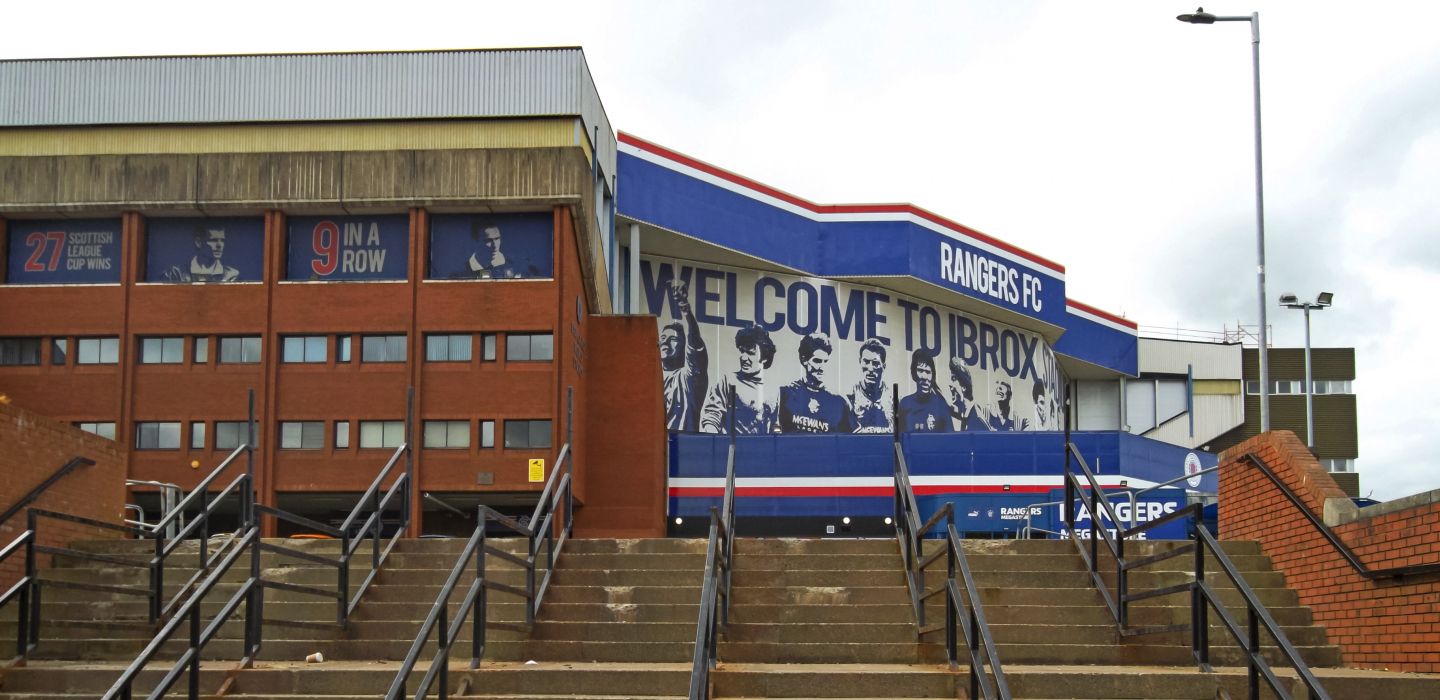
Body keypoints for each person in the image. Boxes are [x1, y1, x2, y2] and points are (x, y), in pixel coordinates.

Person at [700, 326, 778, 434]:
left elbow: (776, 426)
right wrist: (715, 444)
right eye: (742, 351)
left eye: (750, 353)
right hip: (731, 448)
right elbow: (711, 417)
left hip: (761, 449)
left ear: (764, 358)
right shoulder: (727, 381)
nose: (744, 358)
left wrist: (776, 441)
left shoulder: (774, 391)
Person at [660, 279, 708, 432]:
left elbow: (694, 342)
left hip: (681, 447)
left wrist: (684, 308)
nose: (665, 342)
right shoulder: (650, 379)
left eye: (673, 339)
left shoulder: (687, 378)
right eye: (662, 338)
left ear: (683, 347)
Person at [778, 333, 851, 433]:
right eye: (817, 361)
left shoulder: (839, 402)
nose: (822, 367)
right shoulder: (785, 394)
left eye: (825, 361)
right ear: (804, 360)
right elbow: (775, 430)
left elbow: (846, 440)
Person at [448, 220, 541, 279]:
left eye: (497, 238)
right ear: (475, 242)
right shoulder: (459, 274)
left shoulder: (521, 267)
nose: (495, 245)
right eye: (488, 240)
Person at [897, 350, 952, 432]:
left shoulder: (941, 405)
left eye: (928, 372)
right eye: (920, 370)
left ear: (932, 377)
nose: (924, 377)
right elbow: (898, 440)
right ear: (914, 374)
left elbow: (951, 439)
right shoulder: (905, 404)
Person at [846, 338, 893, 433]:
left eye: (875, 363)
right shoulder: (850, 396)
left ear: (883, 367)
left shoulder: (893, 398)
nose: (870, 368)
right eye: (866, 362)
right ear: (860, 362)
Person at [162, 226, 240, 283]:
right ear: (198, 243)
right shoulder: (176, 274)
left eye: (222, 240)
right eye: (213, 240)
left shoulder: (231, 276)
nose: (219, 245)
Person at [946, 358, 990, 431]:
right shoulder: (967, 415)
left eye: (953, 379)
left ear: (963, 386)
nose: (950, 385)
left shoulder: (976, 418)